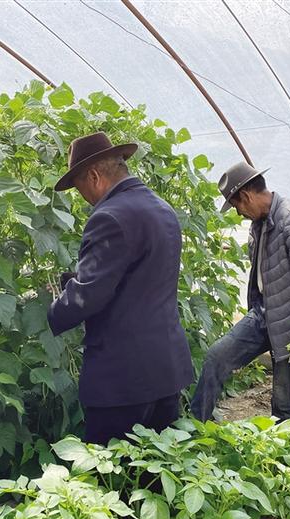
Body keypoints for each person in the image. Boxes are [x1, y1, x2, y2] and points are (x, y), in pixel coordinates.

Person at [47, 132, 193, 445]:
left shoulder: (109, 216)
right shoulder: (162, 208)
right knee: (157, 466)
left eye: (79, 188)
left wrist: (55, 305)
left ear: (94, 176)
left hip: (123, 380)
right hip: (165, 370)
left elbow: (89, 294)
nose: (83, 198)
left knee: (110, 468)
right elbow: (137, 277)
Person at [191, 161, 290, 422]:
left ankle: (282, 441)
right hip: (265, 313)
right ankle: (197, 426)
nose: (238, 213)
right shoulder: (259, 223)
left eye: (236, 206)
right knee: (217, 357)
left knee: (284, 402)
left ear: (246, 196)